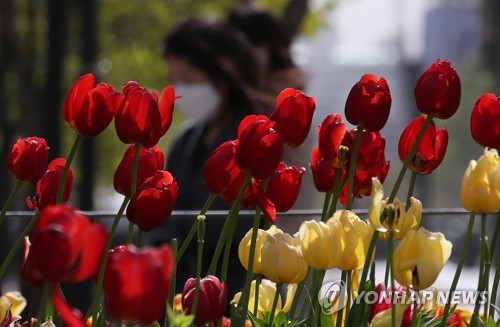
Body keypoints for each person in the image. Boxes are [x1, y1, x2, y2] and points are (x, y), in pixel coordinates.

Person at [156, 17, 261, 299]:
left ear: (222, 76)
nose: (179, 90)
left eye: (188, 79)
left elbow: (241, 228)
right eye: (174, 80)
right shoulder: (184, 140)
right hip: (181, 297)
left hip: (243, 294)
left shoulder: (257, 140)